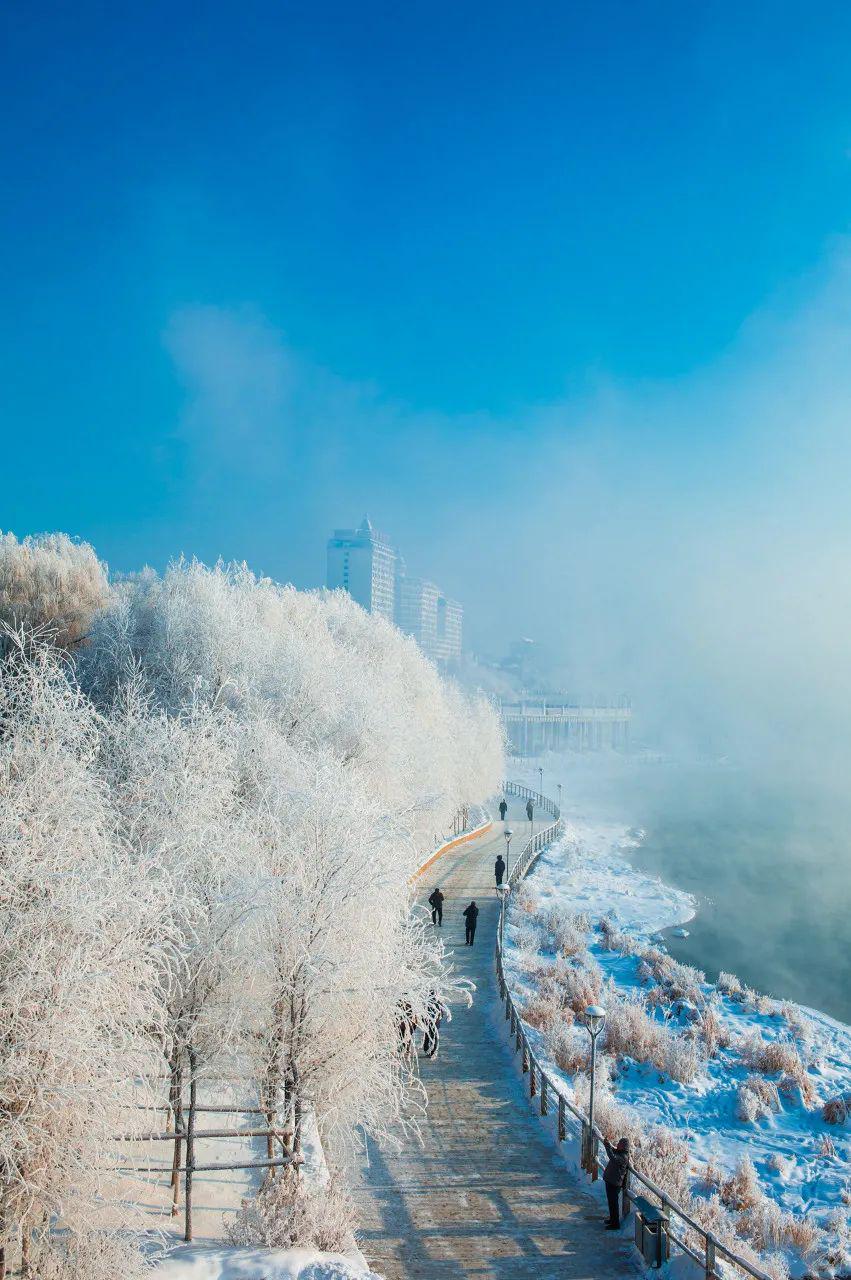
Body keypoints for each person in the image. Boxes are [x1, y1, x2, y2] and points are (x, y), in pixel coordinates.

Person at [602, 1137, 630, 1229]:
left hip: (614, 1183)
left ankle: (615, 1224)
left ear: (623, 1146)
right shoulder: (620, 1153)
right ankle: (613, 1219)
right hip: (612, 1181)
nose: (617, 1144)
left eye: (619, 1144)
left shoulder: (623, 1157)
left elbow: (613, 1158)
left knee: (613, 1204)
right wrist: (608, 1144)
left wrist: (607, 1147)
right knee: (611, 1203)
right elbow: (613, 1151)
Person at [422, 991, 446, 1058]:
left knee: (427, 1036)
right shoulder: (438, 1003)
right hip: (435, 1023)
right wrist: (438, 1019)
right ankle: (433, 1051)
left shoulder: (426, 1003)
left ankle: (427, 1050)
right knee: (434, 1037)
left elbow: (422, 1013)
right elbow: (441, 1013)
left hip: (427, 1023)